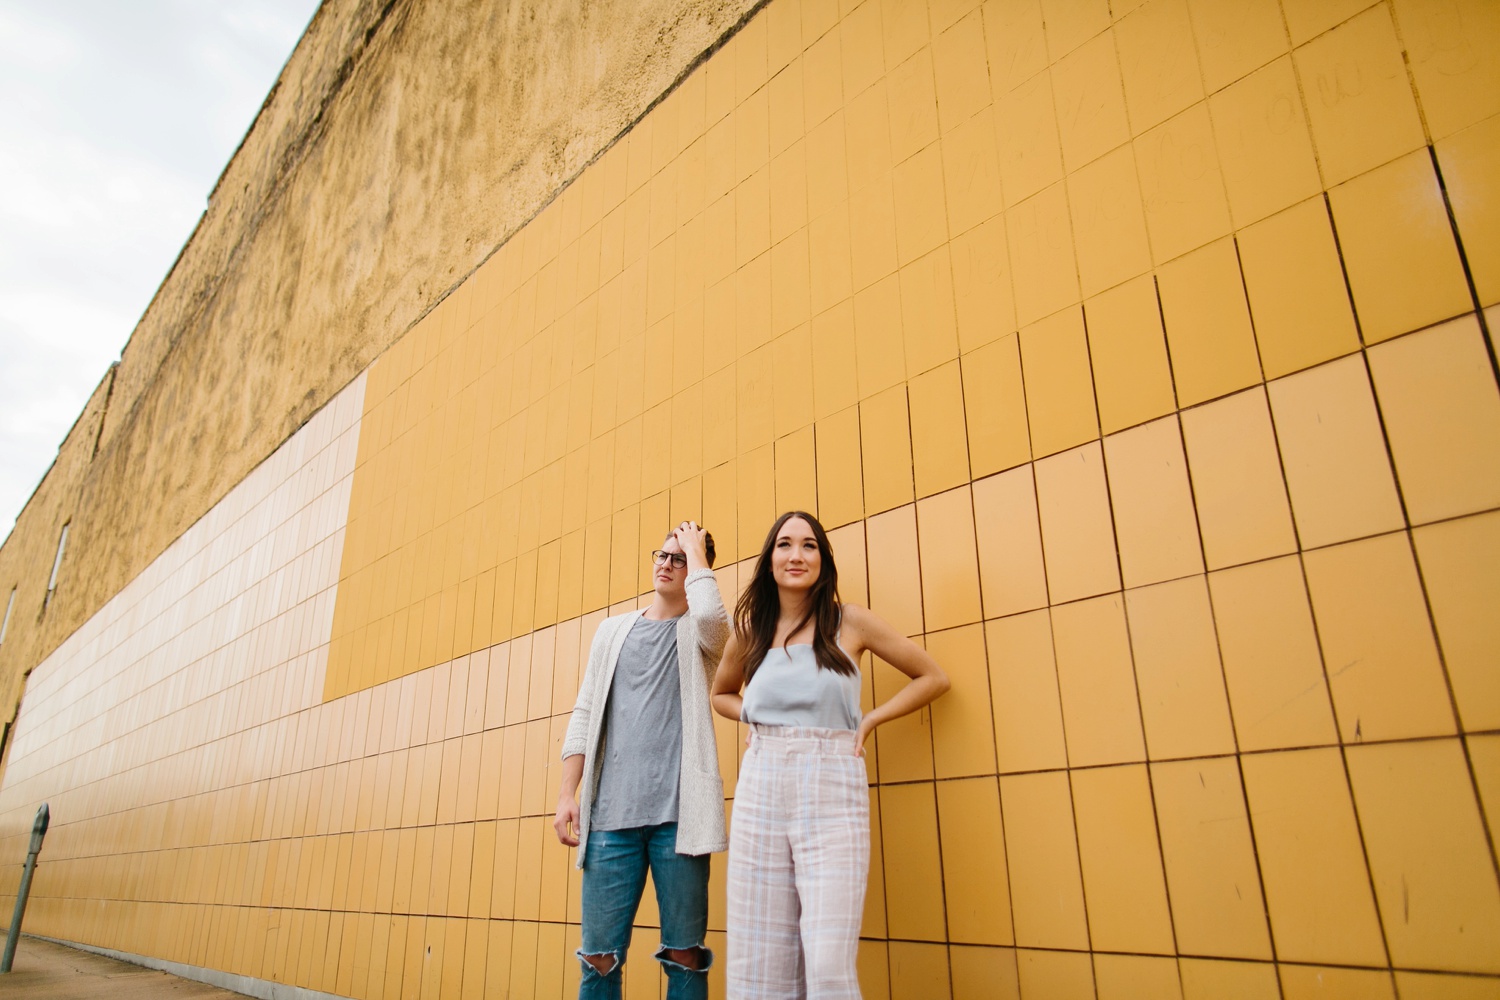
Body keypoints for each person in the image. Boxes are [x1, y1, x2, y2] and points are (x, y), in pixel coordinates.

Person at [711, 511, 949, 999]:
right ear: (769, 559)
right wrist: (754, 719)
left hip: (833, 781)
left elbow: (932, 677)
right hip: (762, 784)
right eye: (784, 545)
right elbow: (720, 695)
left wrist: (870, 720)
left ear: (822, 559)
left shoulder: (849, 621)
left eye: (808, 545)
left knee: (827, 960)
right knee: (760, 955)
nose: (796, 555)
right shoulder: (751, 629)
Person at [554, 520, 729, 1000]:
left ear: (695, 567)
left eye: (679, 557)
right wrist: (568, 794)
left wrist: (698, 555)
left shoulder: (699, 633)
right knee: (599, 961)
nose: (666, 563)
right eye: (662, 554)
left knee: (686, 958)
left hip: (681, 823)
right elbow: (585, 711)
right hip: (610, 822)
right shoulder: (612, 632)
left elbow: (717, 620)